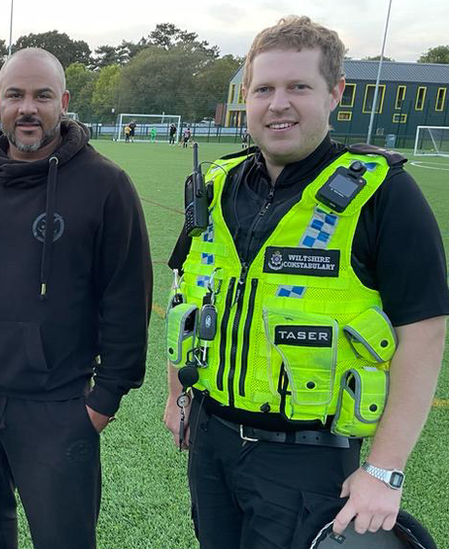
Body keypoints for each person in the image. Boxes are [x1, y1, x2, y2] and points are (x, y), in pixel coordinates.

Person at [163, 16, 448, 549]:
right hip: (211, 438)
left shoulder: (384, 194)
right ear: (246, 96)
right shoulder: (213, 186)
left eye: (299, 86)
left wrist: (385, 471)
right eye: (264, 88)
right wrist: (178, 395)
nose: (278, 103)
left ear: (335, 92)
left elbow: (425, 335)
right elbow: (188, 292)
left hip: (308, 457)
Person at [0, 47, 153, 549]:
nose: (28, 108)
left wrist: (104, 398)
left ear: (63, 102)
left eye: (42, 96)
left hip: (58, 401)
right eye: (16, 95)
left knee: (63, 537)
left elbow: (128, 299)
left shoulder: (105, 184)